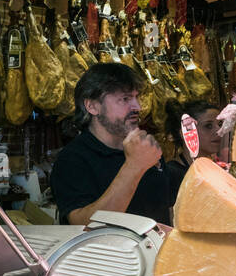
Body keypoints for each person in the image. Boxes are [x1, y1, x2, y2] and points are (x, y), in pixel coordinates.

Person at [49, 63, 174, 226]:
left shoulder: (145, 147)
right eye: (125, 99)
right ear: (92, 106)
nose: (138, 107)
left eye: (136, 97)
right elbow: (83, 225)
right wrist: (134, 166)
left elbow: (168, 210)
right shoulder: (72, 159)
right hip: (110, 252)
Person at [162, 98, 226, 193]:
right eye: (208, 126)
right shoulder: (170, 175)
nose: (219, 131)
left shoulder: (219, 171)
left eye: (220, 124)